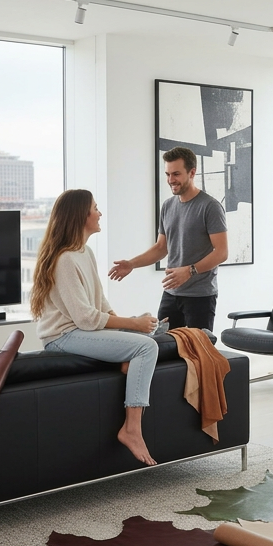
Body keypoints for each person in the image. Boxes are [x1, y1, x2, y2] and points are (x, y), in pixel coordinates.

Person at [32, 189, 161, 465]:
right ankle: (131, 429)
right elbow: (85, 318)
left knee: (145, 335)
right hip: (63, 337)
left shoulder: (84, 252)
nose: (100, 213)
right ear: (82, 215)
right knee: (147, 347)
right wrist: (132, 325)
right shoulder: (65, 259)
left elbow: (100, 301)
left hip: (81, 332)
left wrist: (131, 327)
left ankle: (128, 360)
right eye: (95, 208)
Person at [108, 146, 229, 331]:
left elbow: (221, 252)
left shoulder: (210, 207)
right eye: (168, 174)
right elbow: (160, 247)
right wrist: (131, 264)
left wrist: (190, 271)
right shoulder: (167, 206)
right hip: (171, 293)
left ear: (192, 172)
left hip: (200, 295)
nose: (171, 180)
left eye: (176, 174)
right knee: (163, 347)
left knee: (198, 354)